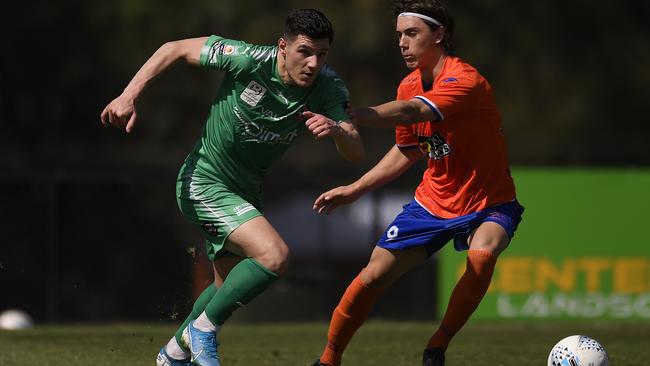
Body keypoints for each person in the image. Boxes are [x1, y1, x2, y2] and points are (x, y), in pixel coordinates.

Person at [101, 9, 364, 366]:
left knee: (225, 288)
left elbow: (355, 150)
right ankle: (202, 331)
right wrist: (128, 95)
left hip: (245, 193)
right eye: (305, 51)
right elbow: (173, 48)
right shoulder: (248, 59)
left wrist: (337, 131)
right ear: (282, 47)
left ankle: (174, 354)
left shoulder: (328, 86)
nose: (314, 62)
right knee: (274, 256)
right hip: (203, 182)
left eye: (322, 53)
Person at [311, 1, 523, 365]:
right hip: (431, 203)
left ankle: (436, 346)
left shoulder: (464, 80)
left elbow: (415, 110)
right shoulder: (408, 83)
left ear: (439, 34)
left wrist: (353, 116)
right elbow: (407, 150)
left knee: (482, 255)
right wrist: (355, 189)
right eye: (399, 36)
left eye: (412, 33)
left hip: (489, 201)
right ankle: (328, 360)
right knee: (373, 274)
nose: (402, 44)